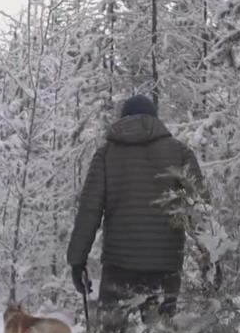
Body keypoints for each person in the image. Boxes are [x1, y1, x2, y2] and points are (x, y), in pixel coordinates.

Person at [66, 94, 208, 320]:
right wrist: (210, 254)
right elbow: (198, 209)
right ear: (155, 119)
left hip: (119, 267)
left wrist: (77, 260)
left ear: (123, 119)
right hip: (165, 268)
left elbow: (89, 210)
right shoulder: (180, 153)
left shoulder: (106, 154)